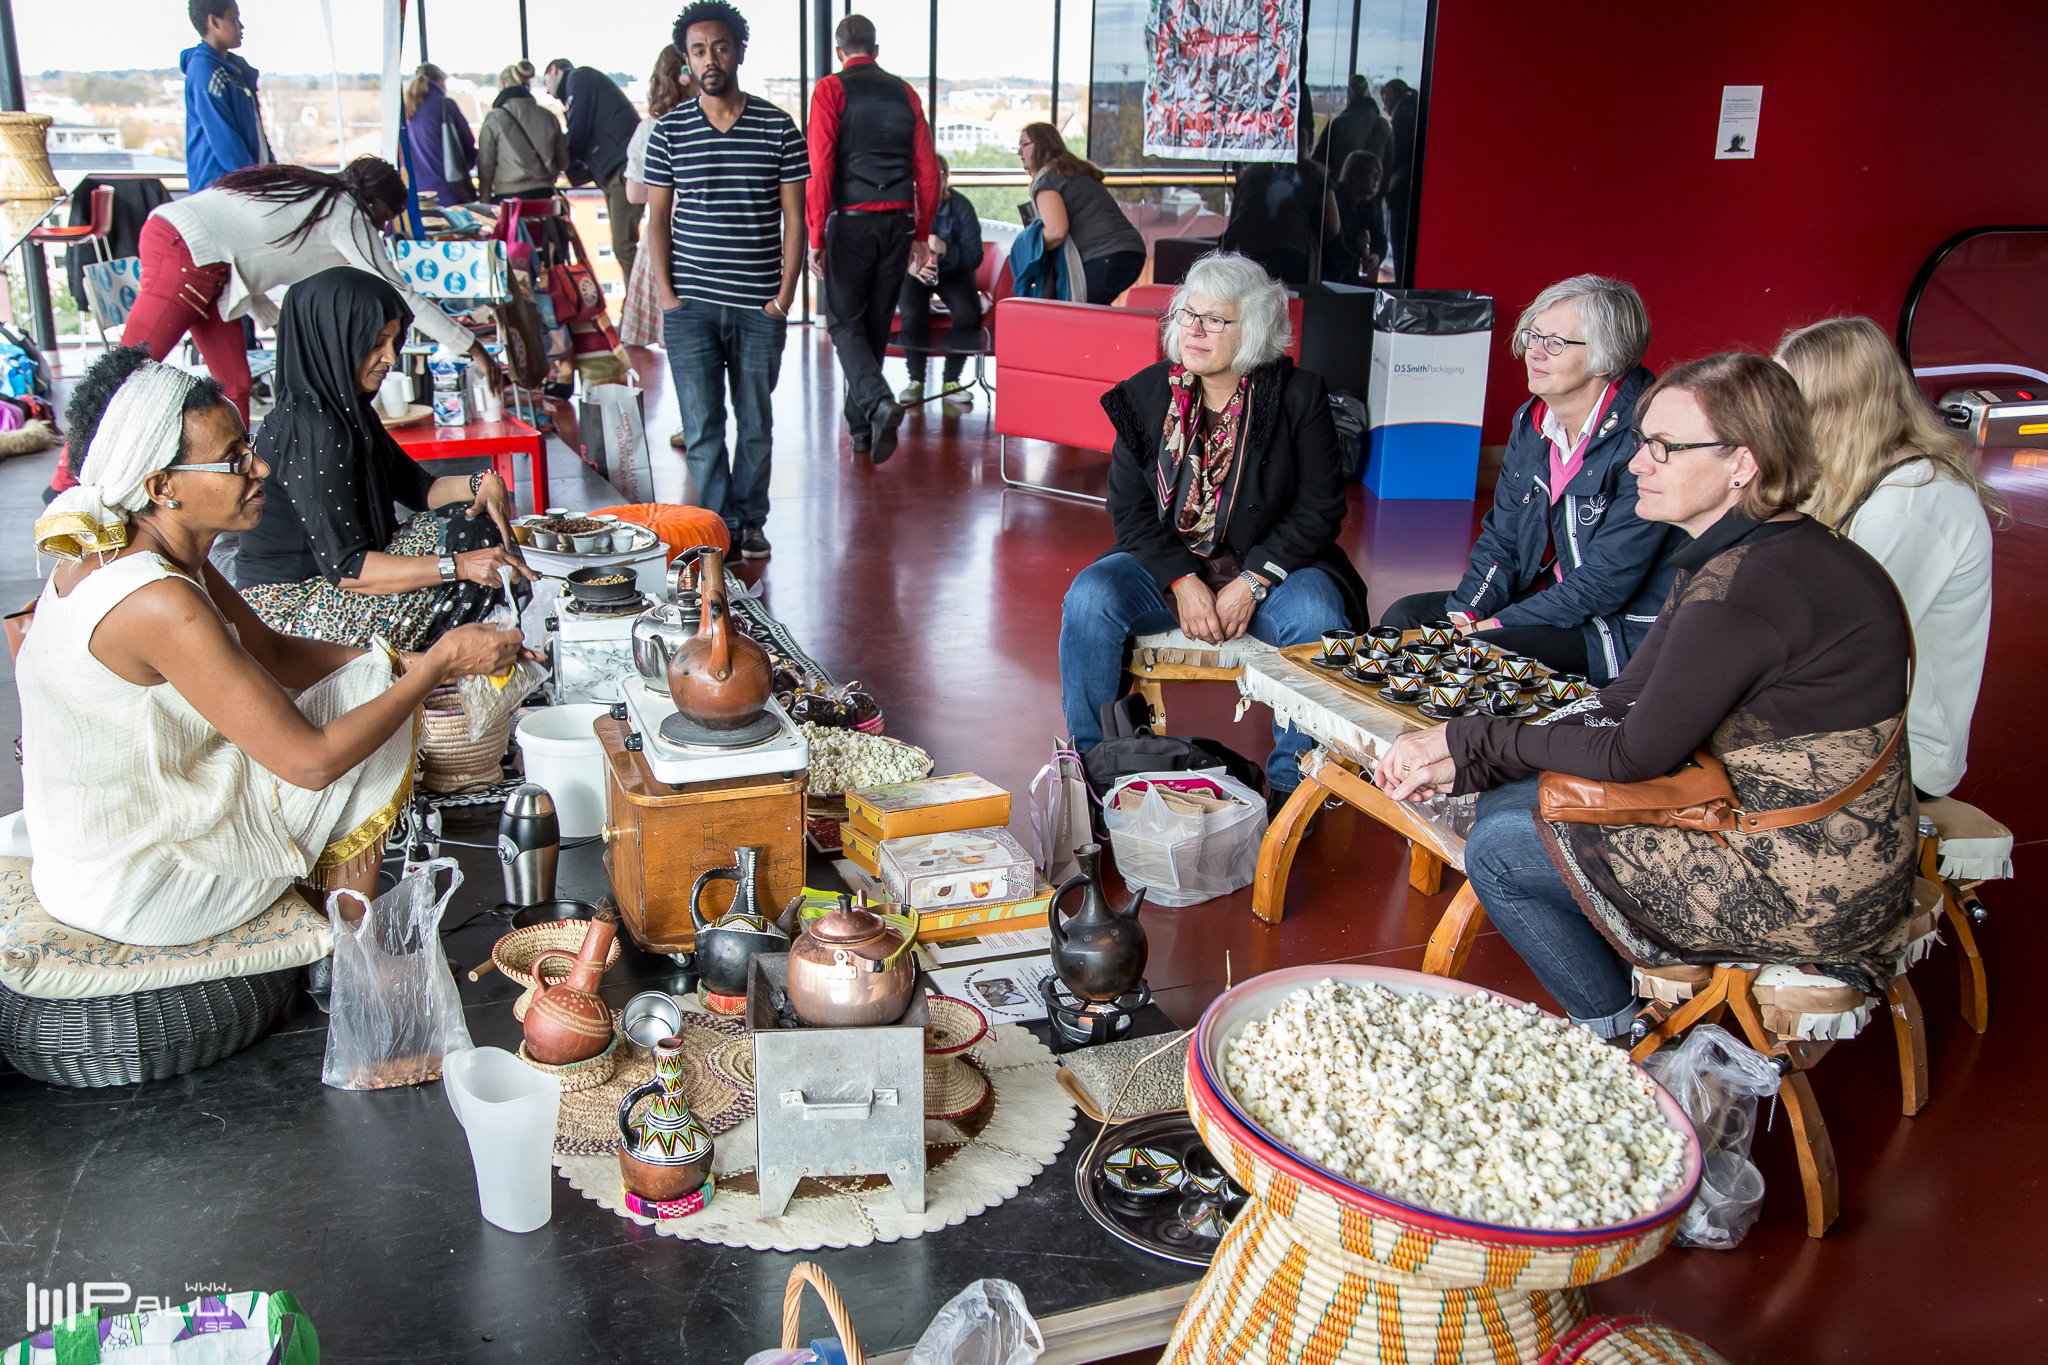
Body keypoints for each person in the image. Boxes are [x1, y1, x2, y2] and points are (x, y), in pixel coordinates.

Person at [1376, 353, 1918, 1039]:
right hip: (1793, 826)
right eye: (1641, 441)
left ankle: (1622, 1042)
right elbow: (1627, 694)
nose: (1637, 464)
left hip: (1810, 878)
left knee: (1502, 848)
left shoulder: (1745, 587)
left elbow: (1634, 752)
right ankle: (1628, 1005)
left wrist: (1469, 739)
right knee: (1510, 797)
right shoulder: (1749, 550)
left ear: (1742, 464)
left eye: (1665, 447)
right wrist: (1474, 754)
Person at [20, 348, 526, 945]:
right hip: (140, 880)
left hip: (109, 841)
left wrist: (406, 664)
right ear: (162, 487)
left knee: (376, 680)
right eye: (234, 460)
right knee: (373, 722)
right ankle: (343, 950)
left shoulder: (138, 547)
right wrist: (436, 666)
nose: (259, 468)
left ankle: (334, 924)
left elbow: (273, 652)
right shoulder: (157, 599)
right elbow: (311, 764)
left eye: (248, 446)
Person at [1061, 253, 1367, 806]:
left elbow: (1319, 510)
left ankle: (1293, 791)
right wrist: (1182, 580)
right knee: (1090, 598)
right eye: (1188, 315)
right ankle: (1095, 771)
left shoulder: (1298, 397)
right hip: (1171, 566)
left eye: (1216, 319)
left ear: (1253, 330)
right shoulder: (1144, 396)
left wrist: (1252, 582)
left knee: (1317, 613)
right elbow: (1129, 510)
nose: (1195, 330)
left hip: (1271, 568)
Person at [1378, 276, 1673, 683]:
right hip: (1545, 598)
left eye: (1555, 343)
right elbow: (1503, 538)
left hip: (1612, 625)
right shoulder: (1532, 421)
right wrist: (1466, 613)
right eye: (1533, 336)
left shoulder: (1646, 435)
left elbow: (1604, 583)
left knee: (1483, 650)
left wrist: (1491, 626)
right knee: (1406, 617)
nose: (1534, 352)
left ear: (1607, 357)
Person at [236, 269, 536, 650]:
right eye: (377, 343)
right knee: (469, 542)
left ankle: (477, 659)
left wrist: (483, 482)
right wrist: (461, 565)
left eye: (394, 342)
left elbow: (421, 489)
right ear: (334, 340)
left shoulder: (347, 412)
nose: (391, 357)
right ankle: (455, 666)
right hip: (291, 613)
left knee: (474, 521)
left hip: (333, 585)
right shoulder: (312, 428)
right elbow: (349, 569)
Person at [1777, 315, 2001, 799]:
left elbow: (1837, 651)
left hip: (1902, 756)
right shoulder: (1857, 480)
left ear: (1835, 406)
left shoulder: (1910, 504)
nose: (1773, 418)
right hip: (1840, 728)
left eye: (1786, 399)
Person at [114, 158, 494, 426]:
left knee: (236, 387)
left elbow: (246, 253)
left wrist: (276, 321)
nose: (381, 228)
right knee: (126, 374)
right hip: (185, 249)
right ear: (375, 202)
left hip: (209, 264)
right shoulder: (346, 212)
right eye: (386, 217)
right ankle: (82, 478)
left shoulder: (314, 193)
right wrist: (473, 347)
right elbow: (398, 292)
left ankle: (237, 479)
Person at [643, 1, 808, 561]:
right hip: (689, 307)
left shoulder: (777, 126)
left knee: (755, 423)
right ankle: (719, 528)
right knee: (702, 426)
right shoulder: (669, 131)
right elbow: (656, 219)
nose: (709, 59)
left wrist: (783, 298)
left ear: (738, 51)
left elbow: (795, 219)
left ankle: (751, 520)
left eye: (719, 47)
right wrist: (667, 296)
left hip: (758, 305)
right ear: (686, 60)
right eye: (698, 50)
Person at [805, 14, 942, 465]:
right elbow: (928, 171)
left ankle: (879, 403)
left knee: (844, 323)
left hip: (852, 222)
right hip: (899, 222)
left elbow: (821, 166)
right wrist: (921, 231)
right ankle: (862, 430)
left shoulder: (830, 89)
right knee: (876, 326)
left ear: (839, 51)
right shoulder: (905, 92)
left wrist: (816, 233)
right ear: (876, 50)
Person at [1018, 122, 1148, 306]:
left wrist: (1028, 244)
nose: (1019, 152)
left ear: (1042, 145)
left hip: (1104, 256)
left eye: (1024, 144)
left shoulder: (1047, 181)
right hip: (1130, 253)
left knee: (1076, 315)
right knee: (1091, 312)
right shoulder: (1073, 171)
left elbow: (1056, 231)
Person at [620, 47, 692, 370]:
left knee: (676, 335)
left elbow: (634, 193)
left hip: (664, 236)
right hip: (708, 240)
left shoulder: (651, 127)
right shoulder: (712, 122)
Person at [543, 57, 646, 284]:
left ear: (555, 70)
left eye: (545, 82)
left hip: (621, 170)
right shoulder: (585, 84)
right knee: (624, 244)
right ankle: (639, 298)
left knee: (623, 245)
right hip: (618, 170)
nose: (548, 92)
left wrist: (562, 162)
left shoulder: (579, 78)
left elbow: (578, 129)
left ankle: (643, 300)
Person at [896, 155, 983, 412]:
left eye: (936, 175)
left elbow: (975, 256)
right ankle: (916, 380)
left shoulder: (961, 207)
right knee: (912, 312)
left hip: (953, 271)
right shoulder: (901, 207)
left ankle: (951, 381)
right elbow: (886, 250)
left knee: (968, 313)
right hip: (913, 272)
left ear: (944, 179)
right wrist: (910, 267)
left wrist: (945, 248)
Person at [180, 0, 272, 193]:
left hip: (248, 183)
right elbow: (227, 143)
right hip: (222, 189)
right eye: (234, 19)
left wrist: (272, 171)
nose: (241, 26)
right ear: (214, 22)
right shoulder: (206, 71)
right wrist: (255, 183)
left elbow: (256, 131)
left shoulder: (235, 71)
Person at [1219, 155, 1338, 286]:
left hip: (1240, 252)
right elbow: (1333, 227)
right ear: (1307, 147)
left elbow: (1233, 220)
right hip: (1288, 254)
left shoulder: (1251, 173)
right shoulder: (1315, 174)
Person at [476, 60, 569, 201]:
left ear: (503, 84)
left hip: (508, 198)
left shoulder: (495, 118)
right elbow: (563, 162)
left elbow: (485, 165)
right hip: (545, 196)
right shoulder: (548, 116)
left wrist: (485, 200)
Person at [403, 63, 478, 207]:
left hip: (419, 193)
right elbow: (468, 141)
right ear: (441, 80)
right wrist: (468, 164)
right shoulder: (445, 105)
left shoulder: (409, 108)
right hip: (449, 190)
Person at [1311, 75, 1392, 203]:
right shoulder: (1384, 126)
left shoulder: (1339, 124)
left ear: (1349, 95)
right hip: (1371, 198)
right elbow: (1389, 166)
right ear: (1369, 93)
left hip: (1341, 197)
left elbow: (1318, 161)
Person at [1379, 79, 1417, 278]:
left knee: (1399, 247)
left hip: (1400, 194)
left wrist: (1388, 184)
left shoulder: (1402, 115)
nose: (1384, 106)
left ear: (1392, 95)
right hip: (1408, 194)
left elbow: (1399, 157)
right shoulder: (1412, 109)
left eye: (1384, 98)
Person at [1331, 151, 1387, 284]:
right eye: (1370, 172)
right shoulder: (1336, 199)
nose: (1376, 179)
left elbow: (1380, 239)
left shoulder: (1372, 206)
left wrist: (1377, 256)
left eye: (1378, 175)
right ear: (1354, 174)